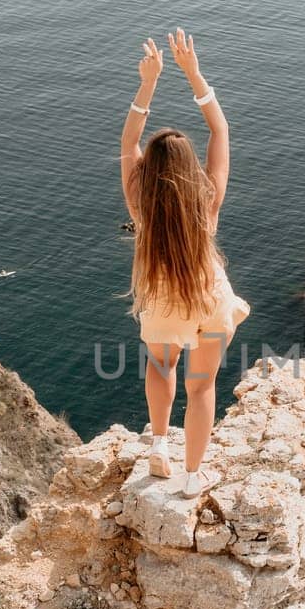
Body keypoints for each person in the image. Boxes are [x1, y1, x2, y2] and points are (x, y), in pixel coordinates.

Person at [121, 28, 249, 496]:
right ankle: (194, 476)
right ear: (189, 166)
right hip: (210, 301)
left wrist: (148, 83)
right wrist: (194, 74)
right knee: (201, 386)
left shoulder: (140, 200)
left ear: (149, 170)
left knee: (160, 367)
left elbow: (128, 141)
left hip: (160, 300)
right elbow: (221, 129)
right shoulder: (207, 200)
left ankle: (159, 447)